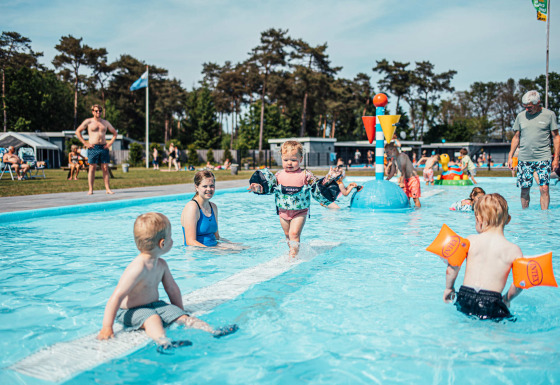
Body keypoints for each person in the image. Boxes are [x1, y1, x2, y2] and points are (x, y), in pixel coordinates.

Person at [97, 212, 237, 349]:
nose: (172, 240)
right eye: (171, 237)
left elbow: (172, 289)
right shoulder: (137, 268)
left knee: (183, 317)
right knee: (153, 319)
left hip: (155, 305)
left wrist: (178, 310)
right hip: (131, 311)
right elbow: (116, 297)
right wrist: (107, 327)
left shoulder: (161, 264)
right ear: (162, 243)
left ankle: (212, 331)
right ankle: (164, 342)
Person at [249, 140, 340, 257]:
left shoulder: (306, 175)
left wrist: (329, 177)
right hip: (283, 211)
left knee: (294, 233)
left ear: (301, 159)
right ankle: (292, 251)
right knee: (287, 234)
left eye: (293, 160)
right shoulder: (278, 175)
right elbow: (269, 188)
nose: (289, 163)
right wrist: (257, 187)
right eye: (286, 160)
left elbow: (318, 186)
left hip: (300, 211)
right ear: (281, 158)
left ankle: (293, 256)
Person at [443, 194, 523, 320]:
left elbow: (452, 267)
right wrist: (506, 299)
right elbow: (520, 283)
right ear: (508, 220)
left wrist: (449, 288)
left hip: (465, 296)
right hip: (492, 300)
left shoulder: (469, 241)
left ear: (479, 219)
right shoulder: (513, 250)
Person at [507, 90, 560, 210]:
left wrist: (556, 158)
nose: (527, 110)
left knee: (544, 188)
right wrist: (510, 156)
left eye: (529, 107)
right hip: (524, 158)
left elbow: (556, 137)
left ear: (538, 103)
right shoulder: (520, 116)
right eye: (524, 107)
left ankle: (544, 217)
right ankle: (526, 216)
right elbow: (516, 137)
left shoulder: (549, 115)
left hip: (543, 157)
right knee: (525, 189)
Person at [75, 104, 117, 195]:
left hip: (103, 147)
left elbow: (115, 133)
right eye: (96, 111)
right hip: (93, 147)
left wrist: (109, 144)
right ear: (93, 112)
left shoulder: (105, 123)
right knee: (92, 167)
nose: (98, 112)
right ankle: (90, 189)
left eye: (100, 111)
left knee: (105, 168)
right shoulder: (88, 121)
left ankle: (108, 189)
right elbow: (78, 131)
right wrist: (85, 143)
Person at [181, 170, 221, 247]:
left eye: (212, 186)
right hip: (198, 253)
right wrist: (214, 251)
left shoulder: (213, 207)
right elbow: (190, 242)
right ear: (196, 187)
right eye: (205, 186)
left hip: (212, 249)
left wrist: (233, 245)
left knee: (243, 249)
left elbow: (217, 238)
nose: (209, 189)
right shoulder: (192, 207)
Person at [385, 143, 421, 207]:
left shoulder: (402, 156)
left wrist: (401, 182)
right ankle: (409, 213)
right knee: (406, 199)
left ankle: (417, 214)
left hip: (413, 179)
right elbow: (392, 173)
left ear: (393, 150)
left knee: (415, 199)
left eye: (387, 152)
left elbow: (403, 170)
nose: (386, 154)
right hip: (405, 180)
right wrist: (386, 180)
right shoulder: (394, 160)